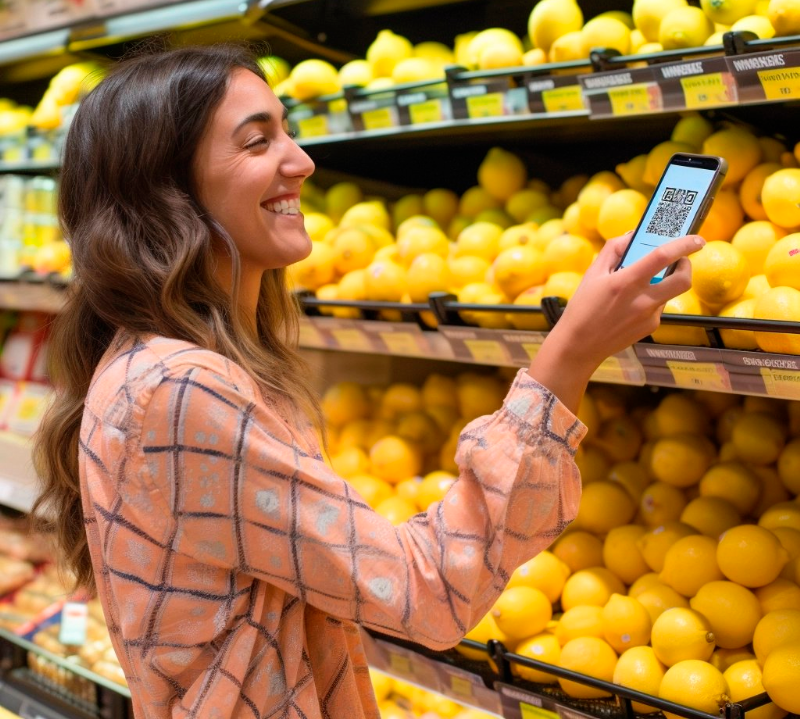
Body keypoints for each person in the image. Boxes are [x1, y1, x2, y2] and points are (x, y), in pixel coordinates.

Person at [32, 45, 701, 718]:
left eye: (287, 133)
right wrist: (569, 356)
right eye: (259, 141)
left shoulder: (152, 364)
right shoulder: (182, 390)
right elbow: (428, 591)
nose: (301, 161)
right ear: (168, 189)